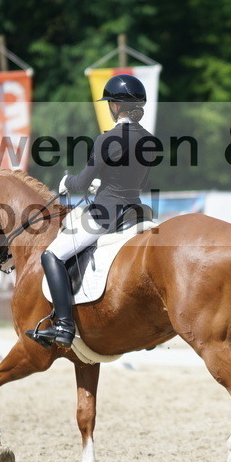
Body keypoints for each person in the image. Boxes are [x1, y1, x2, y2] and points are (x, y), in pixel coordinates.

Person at [26, 74, 153, 349]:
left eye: (110, 103)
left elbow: (80, 182)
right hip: (135, 210)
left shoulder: (106, 139)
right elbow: (138, 182)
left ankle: (63, 325)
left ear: (116, 106)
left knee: (52, 255)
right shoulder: (150, 140)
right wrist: (103, 185)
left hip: (106, 214)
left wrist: (66, 182)